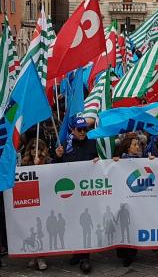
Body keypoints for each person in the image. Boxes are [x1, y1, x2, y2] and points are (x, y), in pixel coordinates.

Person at [54, 117, 97, 274]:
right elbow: (55, 171)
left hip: (87, 193)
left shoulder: (93, 143)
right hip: (70, 195)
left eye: (85, 129)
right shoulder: (64, 146)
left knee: (84, 224)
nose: (83, 132)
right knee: (72, 222)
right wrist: (57, 157)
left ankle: (85, 257)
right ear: (72, 130)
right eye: (79, 129)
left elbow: (102, 165)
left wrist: (99, 162)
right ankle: (76, 253)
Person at [21, 139, 50, 271]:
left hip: (45, 200)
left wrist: (39, 167)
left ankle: (41, 257)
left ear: (42, 149)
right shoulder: (24, 162)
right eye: (32, 147)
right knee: (31, 229)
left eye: (37, 147)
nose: (34, 149)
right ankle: (33, 254)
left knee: (41, 229)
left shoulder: (48, 161)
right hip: (31, 200)